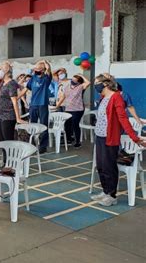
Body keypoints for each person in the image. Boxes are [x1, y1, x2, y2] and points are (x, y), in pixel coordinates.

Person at [91, 74, 145, 206]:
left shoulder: (116, 97)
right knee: (101, 166)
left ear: (105, 84)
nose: (95, 85)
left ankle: (111, 195)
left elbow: (123, 119)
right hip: (99, 136)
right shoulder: (103, 97)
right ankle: (105, 191)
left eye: (97, 83)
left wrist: (135, 137)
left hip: (110, 138)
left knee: (109, 166)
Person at [0, 62, 27, 161]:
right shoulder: (3, 82)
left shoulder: (11, 84)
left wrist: (18, 118)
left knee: (8, 141)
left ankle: (11, 163)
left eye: (0, 70)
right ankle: (5, 163)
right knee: (2, 141)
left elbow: (14, 102)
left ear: (6, 72)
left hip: (8, 116)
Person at [21, 60, 52, 154]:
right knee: (32, 125)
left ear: (43, 70)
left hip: (42, 104)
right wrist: (17, 97)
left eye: (39, 69)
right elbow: (26, 89)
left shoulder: (46, 78)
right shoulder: (33, 78)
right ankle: (32, 144)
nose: (36, 70)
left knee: (43, 125)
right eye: (36, 68)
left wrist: (45, 63)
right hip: (33, 105)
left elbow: (49, 70)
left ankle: (43, 146)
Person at [56, 74, 90, 148]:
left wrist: (81, 75)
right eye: (72, 79)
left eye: (75, 80)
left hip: (78, 109)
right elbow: (63, 97)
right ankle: (69, 139)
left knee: (75, 125)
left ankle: (78, 142)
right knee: (67, 124)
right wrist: (57, 106)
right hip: (68, 108)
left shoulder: (80, 87)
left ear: (79, 82)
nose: (72, 81)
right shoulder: (67, 87)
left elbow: (88, 83)